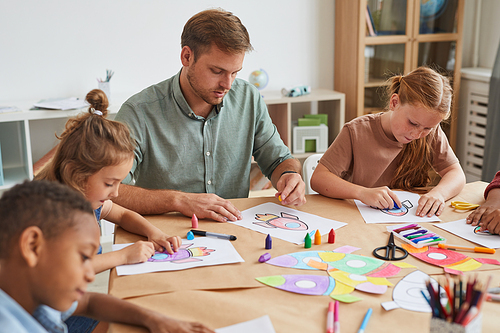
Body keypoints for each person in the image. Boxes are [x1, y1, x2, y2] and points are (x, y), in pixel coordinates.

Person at [114, 8, 306, 222]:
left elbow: (279, 159)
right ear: (187, 56)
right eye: (217, 71)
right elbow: (112, 191)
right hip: (166, 239)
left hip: (234, 230)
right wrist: (178, 201)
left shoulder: (248, 98)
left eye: (235, 73)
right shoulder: (139, 112)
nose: (227, 84)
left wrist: (290, 175)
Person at [0, 180, 215, 333]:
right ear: (32, 246)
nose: (91, 275)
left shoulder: (36, 291)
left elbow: (89, 302)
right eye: (84, 258)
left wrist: (154, 319)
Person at [311, 66, 466, 217]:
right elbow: (319, 178)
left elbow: (456, 173)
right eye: (413, 123)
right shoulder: (356, 131)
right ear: (394, 102)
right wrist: (361, 192)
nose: (418, 134)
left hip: (406, 221)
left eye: (428, 128)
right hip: (359, 219)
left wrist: (439, 193)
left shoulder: (430, 134)